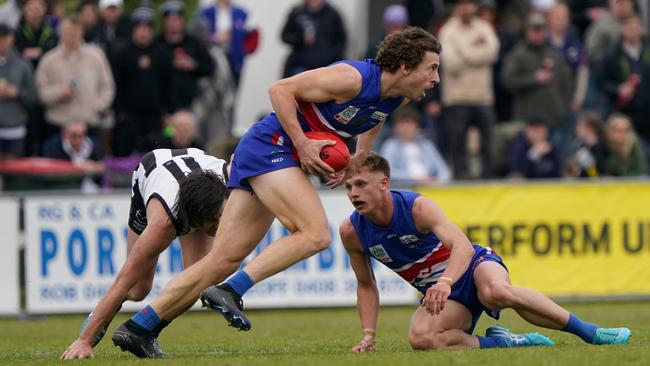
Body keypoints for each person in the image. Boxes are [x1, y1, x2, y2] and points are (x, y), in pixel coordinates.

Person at [110, 26, 440, 358]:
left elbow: (374, 118)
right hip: (272, 146)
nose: (436, 78)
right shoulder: (352, 78)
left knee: (221, 260)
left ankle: (140, 327)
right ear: (405, 66)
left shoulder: (394, 95)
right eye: (432, 68)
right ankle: (231, 289)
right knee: (314, 234)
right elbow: (280, 89)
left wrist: (359, 158)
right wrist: (303, 143)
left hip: (272, 152)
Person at [340, 152, 631, 352]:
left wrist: (444, 282)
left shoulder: (417, 207)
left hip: (472, 265)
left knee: (496, 292)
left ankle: (590, 333)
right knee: (421, 338)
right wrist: (369, 335)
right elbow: (366, 284)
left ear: (384, 184)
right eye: (349, 186)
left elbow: (462, 247)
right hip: (445, 294)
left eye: (361, 184)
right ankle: (506, 342)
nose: (353, 193)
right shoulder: (352, 232)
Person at [60, 147, 230, 359]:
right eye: (212, 221)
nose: (220, 225)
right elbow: (124, 279)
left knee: (198, 280)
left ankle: (144, 332)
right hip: (151, 170)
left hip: (197, 166)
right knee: (137, 288)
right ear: (191, 223)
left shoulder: (230, 180)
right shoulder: (163, 223)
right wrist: (84, 341)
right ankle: (98, 323)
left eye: (221, 215)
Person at [438, 0, 499, 179]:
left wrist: (464, 51)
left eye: (470, 4)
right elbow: (451, 63)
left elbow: (493, 52)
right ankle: (461, 179)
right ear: (457, 7)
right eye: (463, 4)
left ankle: (488, 177)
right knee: (458, 144)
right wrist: (477, 52)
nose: (467, 8)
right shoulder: (448, 30)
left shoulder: (484, 27)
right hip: (457, 97)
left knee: (487, 143)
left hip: (483, 96)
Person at [379, 107, 451, 185]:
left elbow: (444, 170)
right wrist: (415, 178)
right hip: (404, 188)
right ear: (395, 128)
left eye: (409, 124)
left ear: (418, 127)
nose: (405, 128)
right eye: (402, 125)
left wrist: (438, 181)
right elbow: (387, 172)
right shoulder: (390, 145)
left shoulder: (427, 145)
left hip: (430, 187)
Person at [0, 23, 37, 161]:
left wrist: (17, 93)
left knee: (12, 173)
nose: (1, 42)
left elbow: (33, 97)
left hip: (14, 128)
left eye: (5, 38)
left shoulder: (23, 65)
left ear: (12, 39)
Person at [602, 112, 648, 177]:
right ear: (610, 131)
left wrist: (618, 179)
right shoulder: (604, 147)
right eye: (619, 130)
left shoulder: (636, 146)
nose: (622, 134)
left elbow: (642, 170)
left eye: (626, 130)